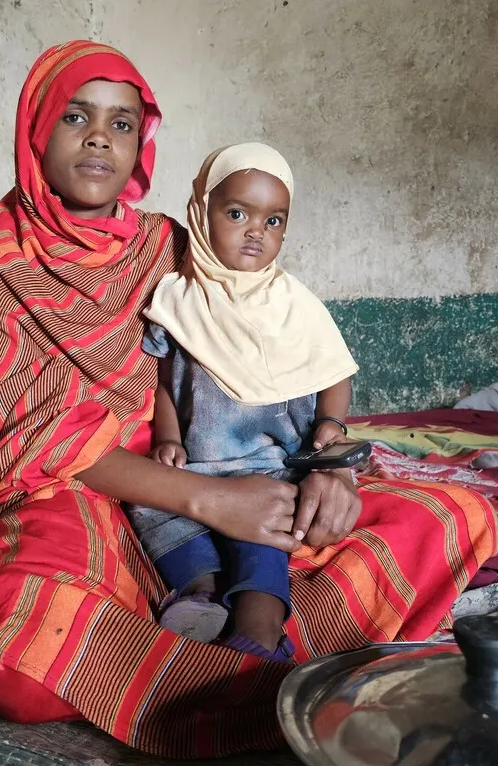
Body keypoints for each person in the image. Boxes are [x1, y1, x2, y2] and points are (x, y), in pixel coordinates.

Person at [0, 40, 498, 758]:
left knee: (455, 517)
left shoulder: (172, 246)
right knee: (20, 656)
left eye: (122, 123)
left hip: (208, 461)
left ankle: (191, 629)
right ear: (35, 129)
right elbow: (36, 435)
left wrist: (331, 466)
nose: (100, 137)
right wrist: (211, 500)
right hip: (76, 481)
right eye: (75, 116)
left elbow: (278, 357)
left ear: (141, 144)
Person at [128, 142, 362, 662]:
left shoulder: (295, 304)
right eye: (237, 214)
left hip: (272, 461)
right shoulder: (177, 299)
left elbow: (334, 372)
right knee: (151, 504)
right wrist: (167, 436)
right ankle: (201, 592)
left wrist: (331, 424)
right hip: (199, 462)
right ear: (201, 212)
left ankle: (261, 627)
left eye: (273, 220)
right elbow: (164, 381)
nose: (256, 231)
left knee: (271, 526)